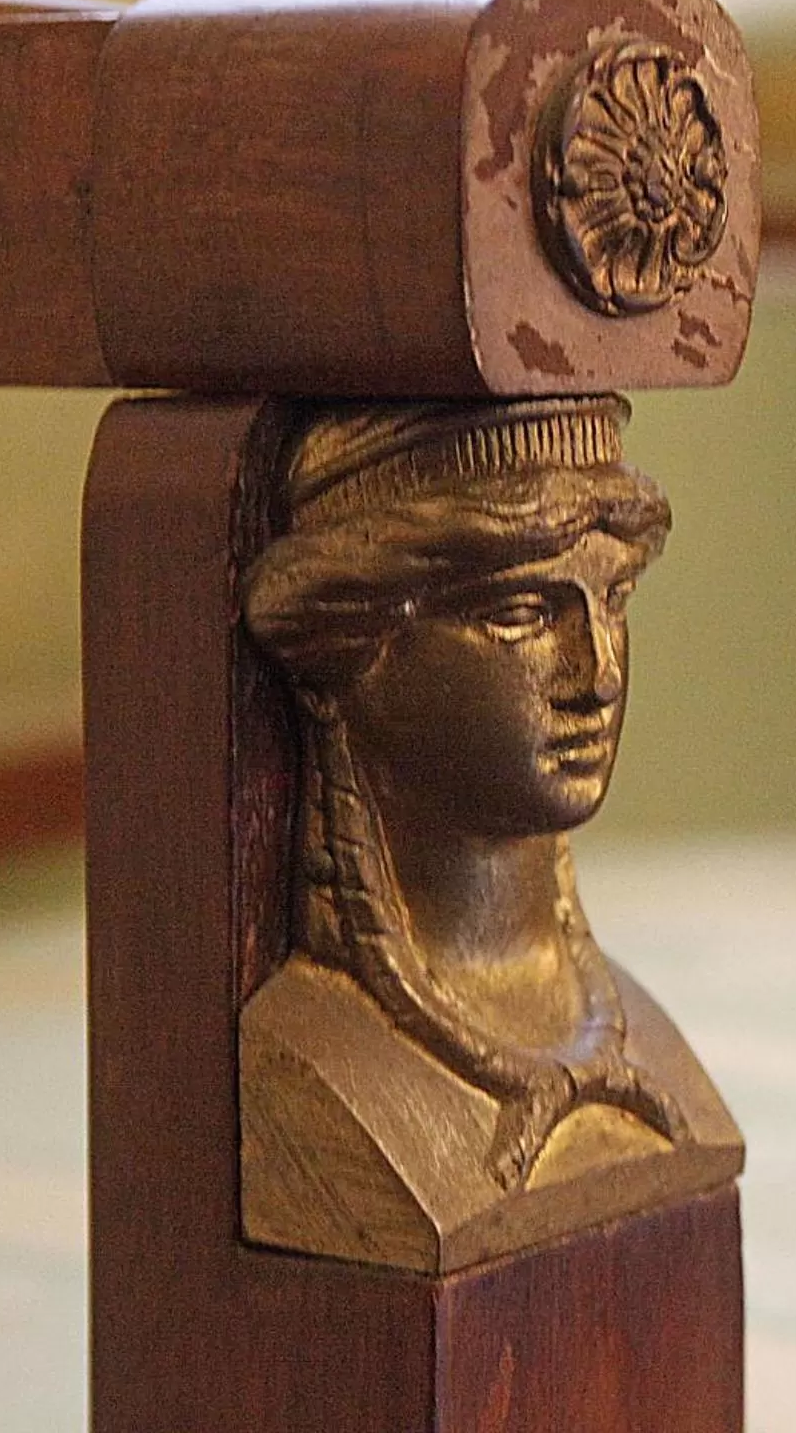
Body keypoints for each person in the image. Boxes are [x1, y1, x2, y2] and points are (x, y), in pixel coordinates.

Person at [238, 395, 743, 1273]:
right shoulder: (318, 1054)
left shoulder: (636, 1043)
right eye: (522, 614)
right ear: (344, 651)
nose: (599, 674)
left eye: (613, 597)